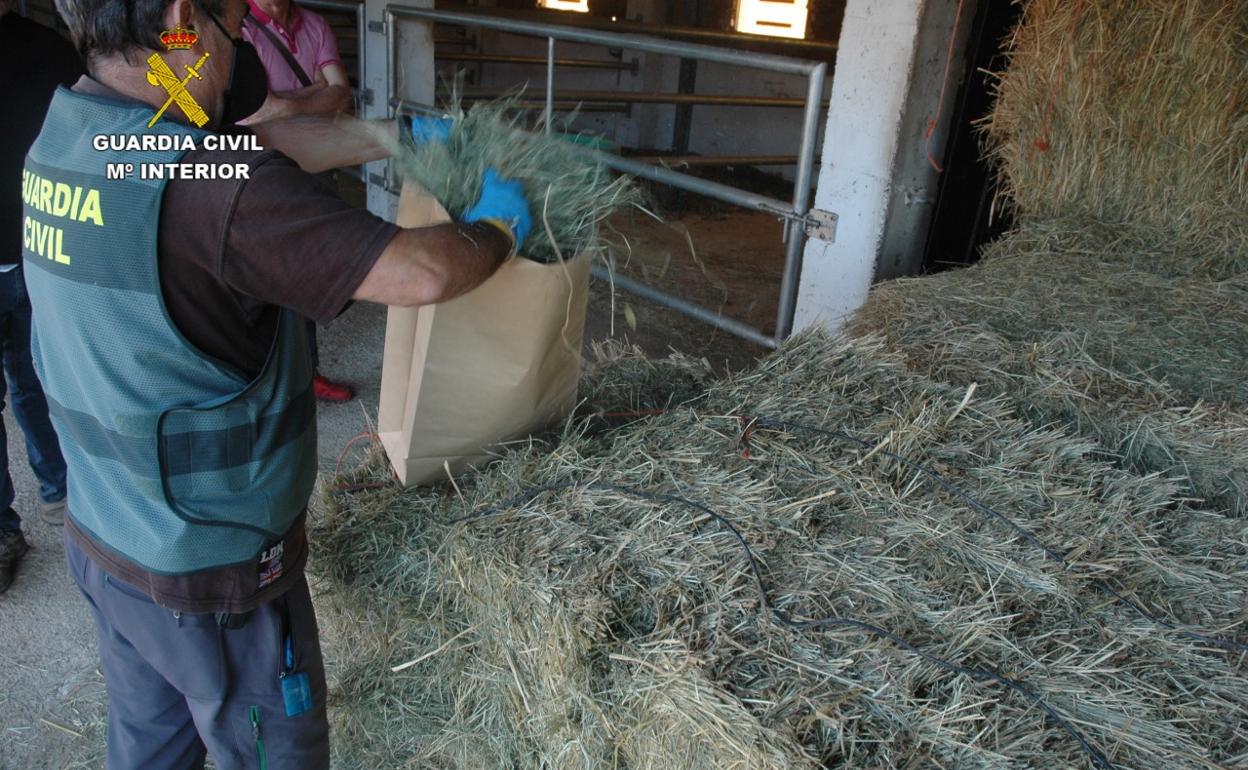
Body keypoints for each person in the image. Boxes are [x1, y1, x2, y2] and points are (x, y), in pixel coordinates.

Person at [27, 0, 529, 764]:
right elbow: (419, 270)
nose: (241, 55)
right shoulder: (210, 192)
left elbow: (247, 146)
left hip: (111, 542)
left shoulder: (72, 134)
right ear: (180, 21)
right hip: (214, 577)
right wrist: (498, 226)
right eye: (232, 31)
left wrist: (401, 139)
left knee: (151, 748)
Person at [239, 0, 356, 402]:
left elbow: (341, 96)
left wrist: (285, 103)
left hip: (316, 162)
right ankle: (263, 381)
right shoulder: (240, 27)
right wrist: (311, 95)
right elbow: (255, 108)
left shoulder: (315, 24)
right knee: (259, 274)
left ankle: (308, 372)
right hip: (264, 165)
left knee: (306, 267)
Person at [0, 0, 77, 593]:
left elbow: (131, 76)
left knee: (38, 377)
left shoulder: (51, 44)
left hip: (36, 250)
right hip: (36, 249)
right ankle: (11, 523)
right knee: (31, 378)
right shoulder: (54, 42)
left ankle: (59, 490)